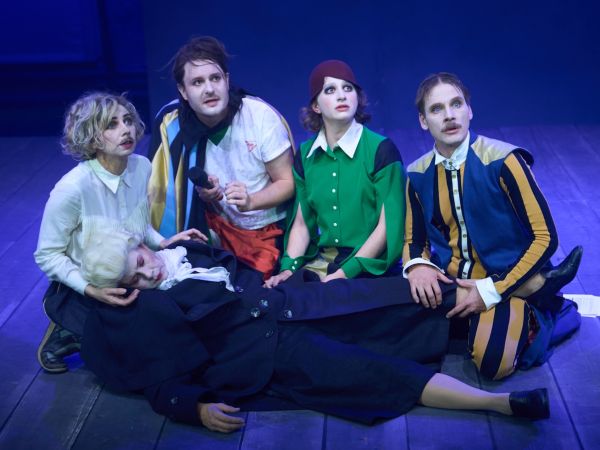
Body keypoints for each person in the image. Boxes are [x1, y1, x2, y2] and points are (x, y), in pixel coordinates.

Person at [79, 232, 550, 433]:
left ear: (142, 245)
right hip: (271, 351)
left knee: (395, 297)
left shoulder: (188, 252)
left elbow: (244, 276)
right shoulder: (150, 307)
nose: (148, 274)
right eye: (134, 278)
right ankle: (501, 403)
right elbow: (160, 377)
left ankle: (525, 290)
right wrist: (195, 409)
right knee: (371, 372)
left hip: (294, 303)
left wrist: (277, 279)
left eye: (141, 261)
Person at [403, 72, 582, 379]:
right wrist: (418, 266)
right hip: (453, 285)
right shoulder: (417, 174)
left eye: (456, 104)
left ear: (469, 110)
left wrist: (493, 289)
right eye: (436, 109)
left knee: (493, 362)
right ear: (423, 120)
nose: (449, 115)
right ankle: (535, 289)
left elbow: (545, 237)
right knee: (399, 340)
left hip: (504, 282)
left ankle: (546, 308)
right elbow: (414, 240)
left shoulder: (504, 160)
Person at [34, 92, 206, 373]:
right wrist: (90, 289)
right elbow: (47, 255)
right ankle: (68, 325)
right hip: (90, 278)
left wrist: (163, 242)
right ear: (91, 137)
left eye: (127, 120)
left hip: (132, 269)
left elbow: (137, 224)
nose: (126, 130)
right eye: (111, 125)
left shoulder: (141, 167)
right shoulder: (72, 188)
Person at [148, 36, 295, 278]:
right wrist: (207, 196)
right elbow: (171, 197)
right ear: (183, 91)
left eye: (215, 78)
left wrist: (252, 201)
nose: (209, 89)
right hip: (211, 228)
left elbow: (288, 182)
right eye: (197, 82)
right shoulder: (174, 126)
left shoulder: (259, 116)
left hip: (265, 232)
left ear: (226, 80)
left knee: (250, 288)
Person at [265, 60, 405, 288]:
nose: (342, 96)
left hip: (369, 265)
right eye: (330, 90)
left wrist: (344, 273)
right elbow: (301, 223)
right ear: (316, 106)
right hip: (325, 263)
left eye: (348, 88)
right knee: (276, 297)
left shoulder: (381, 149)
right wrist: (288, 269)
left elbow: (388, 224)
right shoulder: (306, 154)